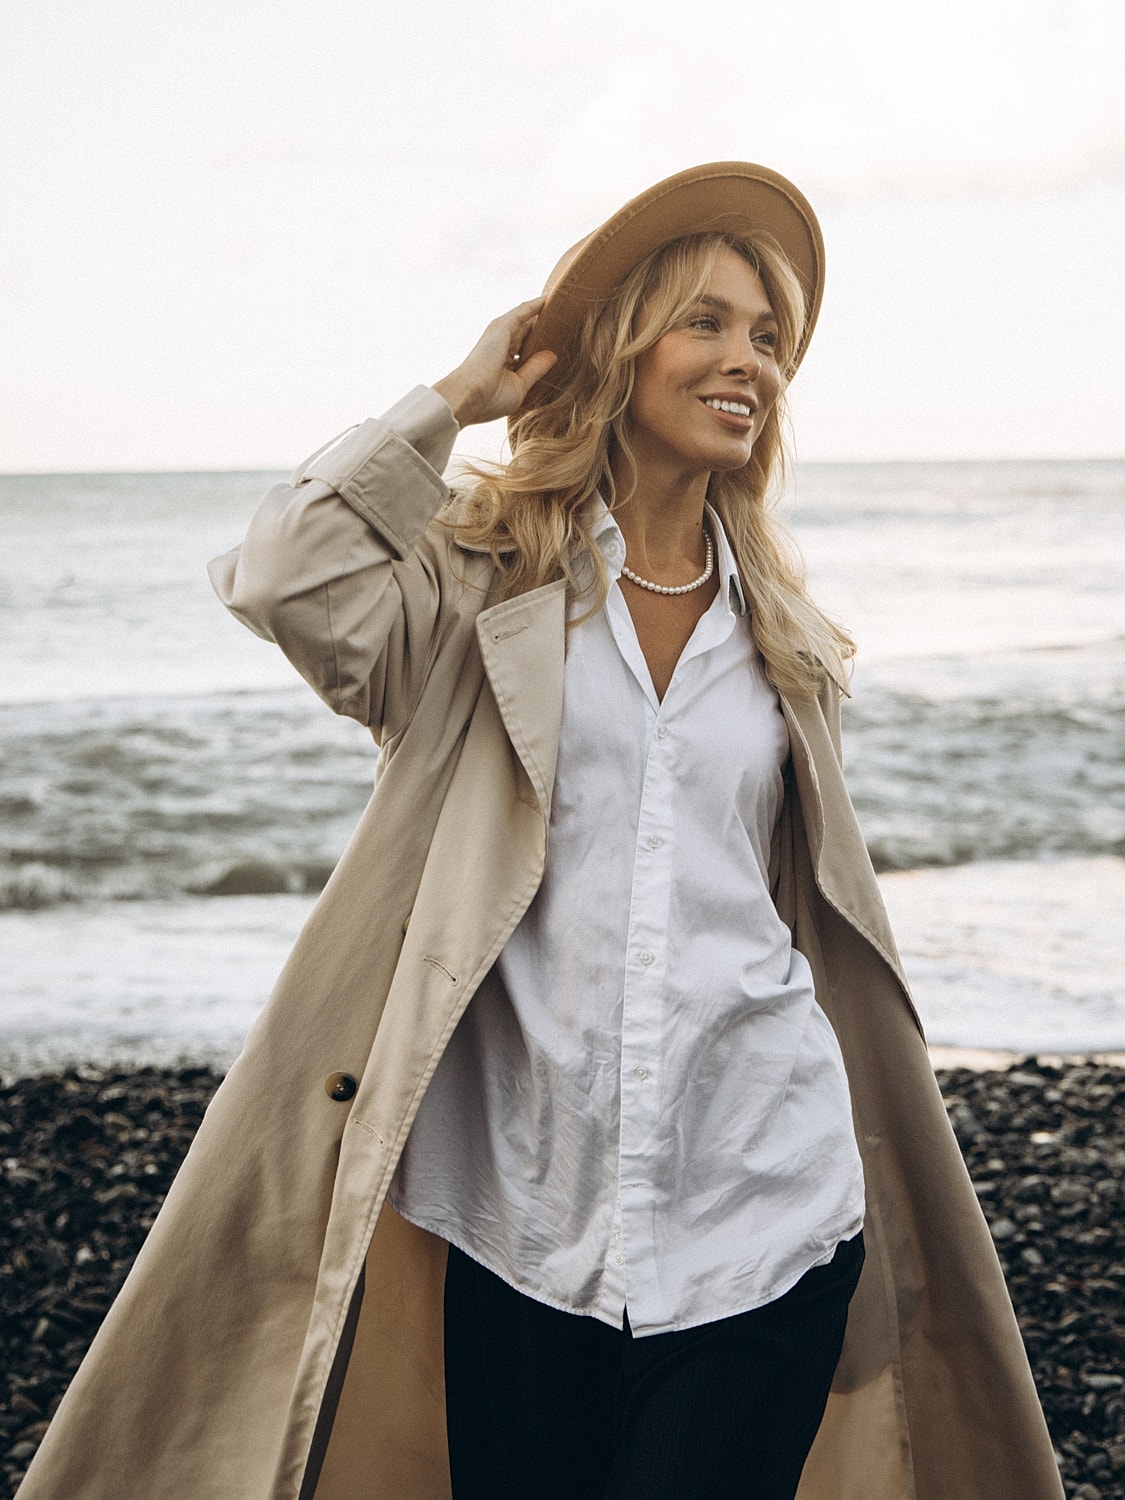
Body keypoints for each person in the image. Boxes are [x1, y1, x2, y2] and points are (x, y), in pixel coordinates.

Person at [18, 164, 1063, 1500]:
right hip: (521, 1221)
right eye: (707, 324)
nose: (749, 362)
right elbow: (284, 573)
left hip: (764, 1204)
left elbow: (783, 903)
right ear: (621, 350)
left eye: (765, 337)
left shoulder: (783, 636)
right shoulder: (475, 591)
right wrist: (453, 402)